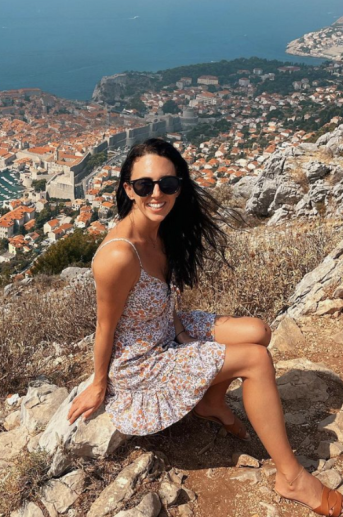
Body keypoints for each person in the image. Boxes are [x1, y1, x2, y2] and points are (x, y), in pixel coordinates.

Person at [67, 138, 341, 516]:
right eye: (145, 185)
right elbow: (105, 326)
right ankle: (291, 477)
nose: (157, 193)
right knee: (256, 360)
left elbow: (161, 298)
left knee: (259, 331)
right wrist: (98, 384)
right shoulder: (118, 255)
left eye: (168, 184)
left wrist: (181, 330)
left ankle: (211, 402)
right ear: (129, 189)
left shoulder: (160, 229)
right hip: (141, 363)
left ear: (180, 185)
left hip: (167, 329)